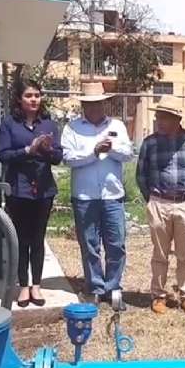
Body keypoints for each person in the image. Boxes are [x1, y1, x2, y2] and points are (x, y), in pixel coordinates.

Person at [62, 82, 133, 307]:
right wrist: (93, 152)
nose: (94, 108)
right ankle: (93, 287)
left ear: (105, 104)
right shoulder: (72, 128)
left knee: (116, 244)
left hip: (112, 195)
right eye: (89, 104)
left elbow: (129, 153)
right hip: (85, 196)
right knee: (90, 244)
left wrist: (110, 148)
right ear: (83, 105)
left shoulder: (117, 126)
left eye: (98, 104)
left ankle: (113, 288)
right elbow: (69, 159)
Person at [0, 77, 63, 308]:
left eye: (37, 95)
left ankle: (37, 284)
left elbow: (58, 157)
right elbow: (3, 155)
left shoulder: (49, 124)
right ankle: (23, 285)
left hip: (43, 190)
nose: (33, 99)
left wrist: (45, 150)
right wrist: (28, 149)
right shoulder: (9, 124)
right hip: (18, 188)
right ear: (19, 99)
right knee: (21, 238)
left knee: (37, 238)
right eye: (28, 95)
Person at [137, 98, 185, 317]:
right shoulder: (149, 143)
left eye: (163, 117)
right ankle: (158, 295)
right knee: (160, 254)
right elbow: (141, 174)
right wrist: (153, 199)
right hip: (159, 203)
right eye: (158, 116)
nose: (159, 120)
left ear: (177, 119)